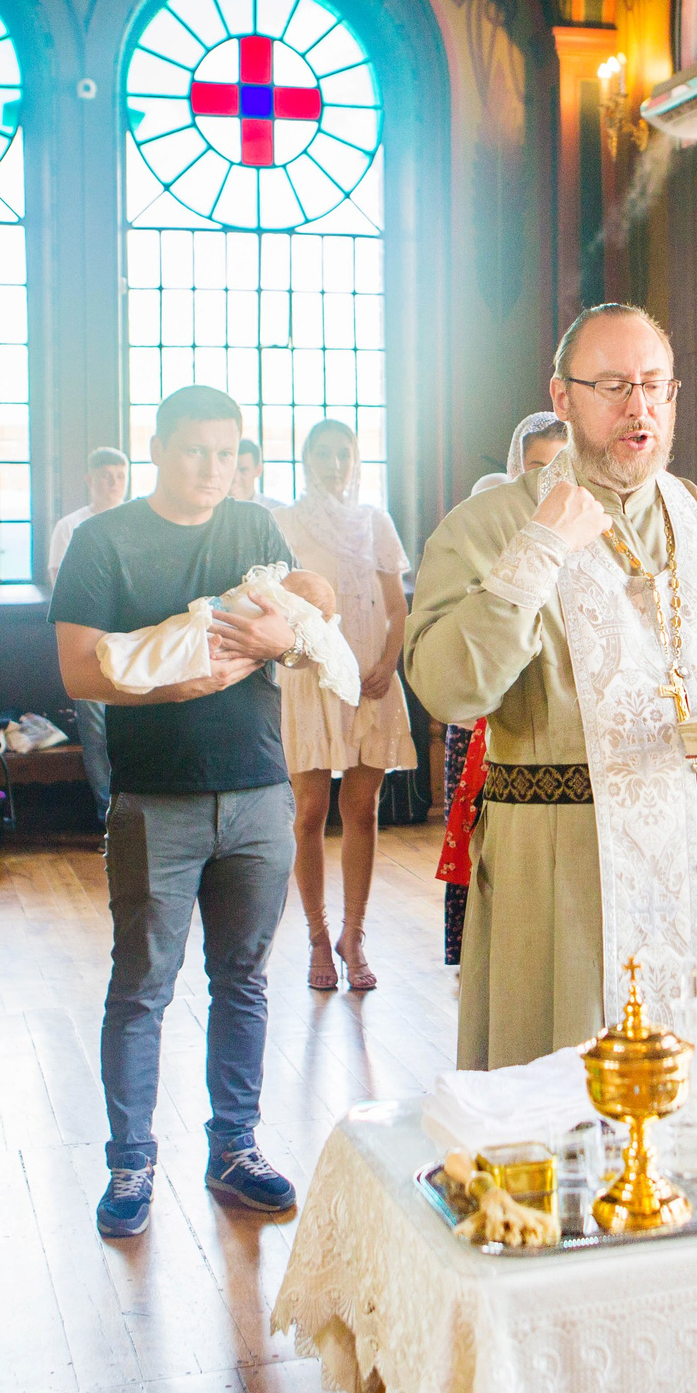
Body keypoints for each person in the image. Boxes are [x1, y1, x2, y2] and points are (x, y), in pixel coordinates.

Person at [407, 304, 697, 1070]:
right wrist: (541, 550)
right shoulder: (487, 525)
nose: (640, 408)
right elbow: (449, 688)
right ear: (561, 396)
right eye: (615, 385)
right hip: (564, 884)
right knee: (567, 1120)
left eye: (655, 386)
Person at [51, 385, 318, 1236]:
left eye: (227, 453)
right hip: (152, 801)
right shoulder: (104, 539)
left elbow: (306, 623)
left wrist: (290, 639)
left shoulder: (254, 529)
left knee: (244, 978)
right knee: (142, 987)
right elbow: (78, 672)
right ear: (159, 448)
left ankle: (235, 1147)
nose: (213, 469)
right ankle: (130, 1164)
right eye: (195, 450)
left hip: (256, 790)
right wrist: (173, 681)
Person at [274, 419, 415, 992]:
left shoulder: (374, 521)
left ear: (357, 461)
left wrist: (387, 663)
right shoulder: (283, 523)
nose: (335, 464)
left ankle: (352, 935)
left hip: (371, 680)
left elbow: (398, 605)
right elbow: (271, 606)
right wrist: (296, 656)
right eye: (324, 454)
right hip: (309, 678)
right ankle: (315, 936)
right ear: (306, 459)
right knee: (309, 812)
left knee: (362, 808)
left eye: (344, 454)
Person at [445, 412, 569, 963]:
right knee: (479, 831)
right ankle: (475, 949)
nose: (548, 481)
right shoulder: (490, 522)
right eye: (537, 467)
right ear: (517, 467)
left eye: (561, 467)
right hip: (487, 703)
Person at [50, 447, 131, 827]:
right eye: (106, 476)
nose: (114, 483)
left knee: (136, 728)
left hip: (135, 641)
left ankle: (136, 808)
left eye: (120, 475)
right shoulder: (71, 527)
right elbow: (62, 587)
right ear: (89, 480)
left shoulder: (137, 521)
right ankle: (108, 814)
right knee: (96, 731)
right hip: (91, 644)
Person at [471, 410, 567, 496]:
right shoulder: (492, 492)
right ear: (517, 464)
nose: (549, 479)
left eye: (559, 469)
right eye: (537, 470)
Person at [233, 439, 287, 512]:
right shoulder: (214, 509)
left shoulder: (275, 510)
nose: (236, 478)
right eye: (232, 470)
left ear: (258, 471)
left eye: (243, 470)